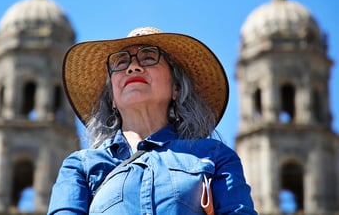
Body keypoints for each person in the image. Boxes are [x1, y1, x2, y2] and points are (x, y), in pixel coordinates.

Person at [48, 27, 257, 214]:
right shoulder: (81, 166)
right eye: (121, 62)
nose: (132, 67)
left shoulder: (214, 157)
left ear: (176, 88)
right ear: (111, 97)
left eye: (148, 57)